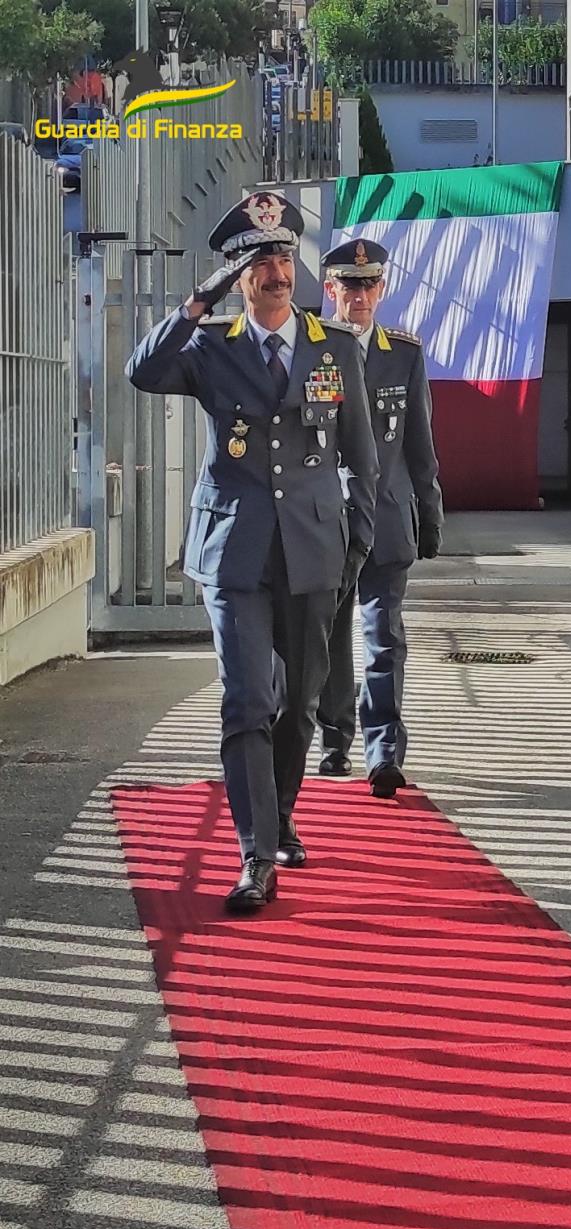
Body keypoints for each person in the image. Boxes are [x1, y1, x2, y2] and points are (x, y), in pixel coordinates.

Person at [127, 192, 377, 912]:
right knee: (246, 700)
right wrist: (197, 301)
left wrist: (357, 543)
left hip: (313, 549)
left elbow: (361, 454)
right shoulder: (212, 345)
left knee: (297, 706)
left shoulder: (333, 347)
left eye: (284, 256)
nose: (276, 271)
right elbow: (142, 371)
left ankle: (281, 815)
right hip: (235, 549)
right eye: (260, 260)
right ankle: (255, 855)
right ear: (240, 275)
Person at [314, 237, 443, 798]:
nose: (360, 296)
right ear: (331, 289)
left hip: (388, 516)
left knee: (384, 634)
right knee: (330, 634)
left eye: (369, 285)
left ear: (382, 289)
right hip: (329, 519)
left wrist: (430, 513)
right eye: (350, 285)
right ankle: (335, 737)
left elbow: (419, 442)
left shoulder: (404, 354)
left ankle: (384, 750)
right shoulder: (314, 350)